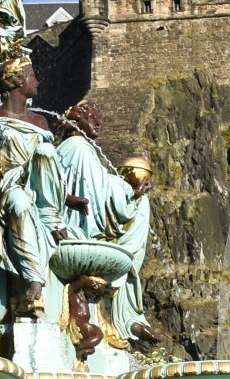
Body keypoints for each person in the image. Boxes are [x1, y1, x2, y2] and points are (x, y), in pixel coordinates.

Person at [54, 101, 161, 348]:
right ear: (77, 120)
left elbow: (100, 184)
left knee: (140, 205)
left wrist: (131, 193)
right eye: (93, 118)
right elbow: (95, 192)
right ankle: (126, 318)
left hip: (81, 224)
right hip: (78, 226)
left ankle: (130, 316)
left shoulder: (79, 150)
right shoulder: (78, 148)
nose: (98, 124)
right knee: (135, 208)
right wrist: (128, 192)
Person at [0, 58, 63, 315]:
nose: (38, 82)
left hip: (39, 186)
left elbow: (52, 167)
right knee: (20, 203)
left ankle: (51, 218)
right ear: (19, 82)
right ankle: (34, 278)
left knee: (44, 150)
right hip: (8, 184)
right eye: (32, 76)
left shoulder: (40, 122)